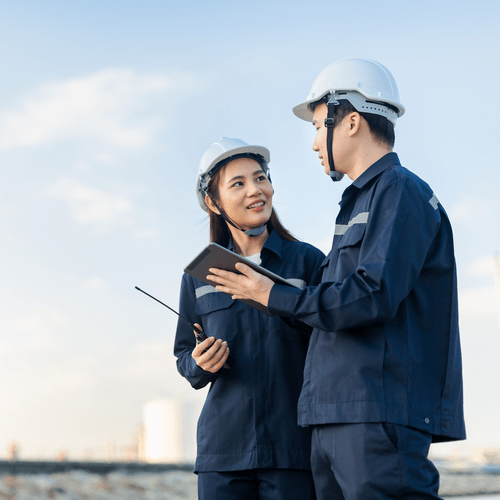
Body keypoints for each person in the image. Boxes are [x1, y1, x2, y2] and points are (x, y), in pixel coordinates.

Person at [207, 59, 466, 499]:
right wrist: (262, 296)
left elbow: (373, 294)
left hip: (375, 414)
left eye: (317, 125)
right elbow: (332, 303)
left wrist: (275, 295)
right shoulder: (358, 204)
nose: (313, 143)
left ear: (349, 121)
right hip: (334, 416)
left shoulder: (399, 191)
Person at [174, 137, 324, 500]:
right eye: (238, 184)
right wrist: (198, 363)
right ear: (214, 202)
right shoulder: (199, 276)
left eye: (260, 178)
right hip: (223, 453)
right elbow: (183, 354)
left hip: (293, 450)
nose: (255, 191)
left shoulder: (308, 262)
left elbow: (332, 339)